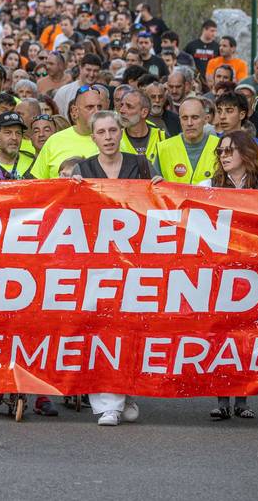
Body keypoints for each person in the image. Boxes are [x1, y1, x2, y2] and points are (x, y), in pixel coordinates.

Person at [72, 111, 161, 426]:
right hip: (95, 263)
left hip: (134, 261)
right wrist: (70, 189)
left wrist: (160, 188)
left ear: (121, 133)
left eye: (113, 130)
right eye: (101, 132)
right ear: (93, 137)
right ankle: (106, 404)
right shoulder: (82, 170)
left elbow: (158, 206)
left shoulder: (140, 166)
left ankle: (126, 390)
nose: (108, 136)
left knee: (130, 328)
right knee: (100, 327)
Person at [198, 130, 258, 421]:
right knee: (221, 334)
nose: (223, 155)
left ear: (246, 154)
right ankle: (221, 398)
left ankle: (243, 397)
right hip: (219, 273)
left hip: (256, 273)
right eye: (220, 151)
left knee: (248, 336)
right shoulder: (206, 186)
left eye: (230, 150)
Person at [32, 85, 103, 178]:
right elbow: (38, 184)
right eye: (90, 107)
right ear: (74, 111)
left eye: (100, 107)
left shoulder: (113, 140)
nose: (96, 112)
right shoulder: (54, 141)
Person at [157, 97, 219, 184]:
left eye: (195, 117)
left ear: (205, 119)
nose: (189, 123)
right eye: (185, 118)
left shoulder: (220, 147)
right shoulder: (163, 148)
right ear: (180, 120)